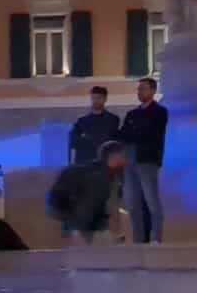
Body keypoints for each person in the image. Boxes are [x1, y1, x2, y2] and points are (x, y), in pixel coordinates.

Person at [47, 140, 129, 245]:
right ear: (116, 156)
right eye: (124, 156)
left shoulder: (104, 174)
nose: (126, 161)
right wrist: (79, 233)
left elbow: (108, 207)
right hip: (84, 228)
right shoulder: (99, 177)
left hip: (84, 225)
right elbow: (87, 207)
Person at [119, 77, 168, 244]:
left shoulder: (160, 112)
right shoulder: (132, 114)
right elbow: (123, 135)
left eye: (143, 89)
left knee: (151, 201)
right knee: (132, 203)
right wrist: (135, 134)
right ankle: (138, 239)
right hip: (130, 160)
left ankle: (155, 237)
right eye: (138, 89)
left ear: (153, 91)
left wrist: (135, 133)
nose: (139, 92)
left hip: (147, 160)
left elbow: (151, 134)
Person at [68, 86, 121, 164]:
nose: (95, 101)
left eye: (99, 98)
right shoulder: (82, 121)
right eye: (93, 98)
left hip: (105, 161)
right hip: (86, 161)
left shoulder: (113, 119)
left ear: (105, 99)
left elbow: (114, 141)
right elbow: (73, 141)